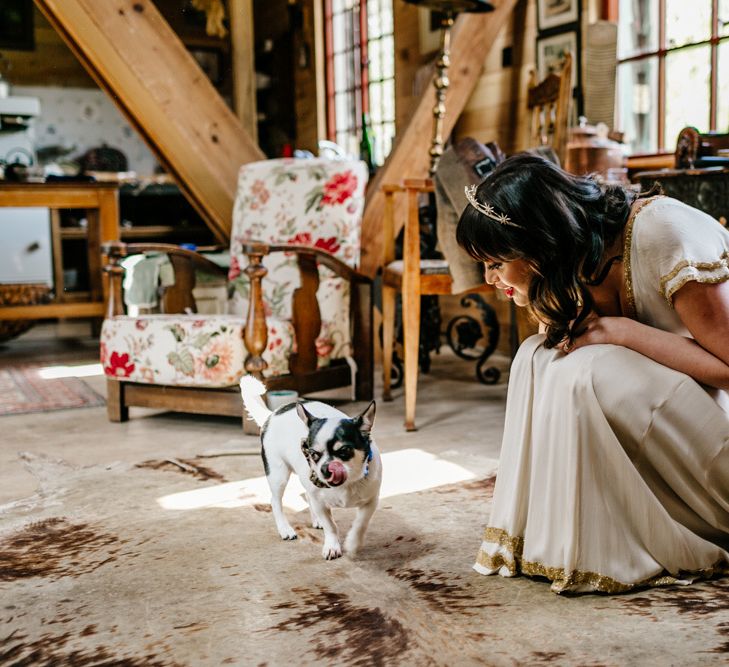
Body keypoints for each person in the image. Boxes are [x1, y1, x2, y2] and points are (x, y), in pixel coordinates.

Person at [456, 153, 729, 594]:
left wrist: (621, 331)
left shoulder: (662, 233)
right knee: (536, 357)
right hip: (683, 408)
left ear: (538, 243)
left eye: (495, 262)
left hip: (720, 417)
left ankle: (652, 536)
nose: (490, 279)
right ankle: (553, 538)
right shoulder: (574, 255)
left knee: (590, 368)